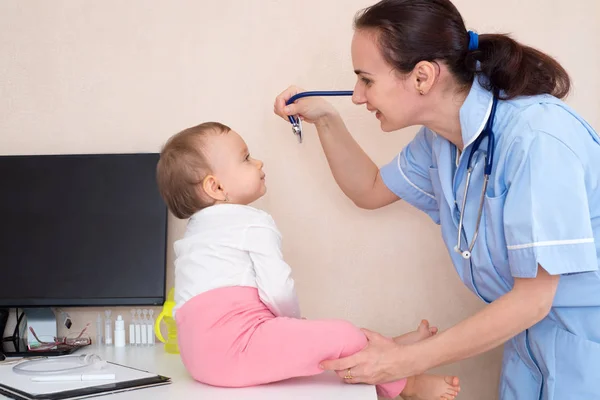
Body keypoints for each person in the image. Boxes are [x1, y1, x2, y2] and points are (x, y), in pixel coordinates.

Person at [273, 0, 600, 398]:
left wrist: (400, 362)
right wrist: (325, 117)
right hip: (530, 348)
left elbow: (532, 301)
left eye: (367, 80)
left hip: (585, 347)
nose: (358, 97)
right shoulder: (441, 140)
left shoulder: (537, 139)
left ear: (423, 76)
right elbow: (370, 189)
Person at [155, 121, 462, 399]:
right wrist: (292, 322)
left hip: (200, 362)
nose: (258, 162)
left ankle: (388, 346)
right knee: (339, 334)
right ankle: (409, 385)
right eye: (246, 158)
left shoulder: (193, 235)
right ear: (216, 187)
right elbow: (277, 288)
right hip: (238, 347)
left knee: (319, 346)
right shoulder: (250, 222)